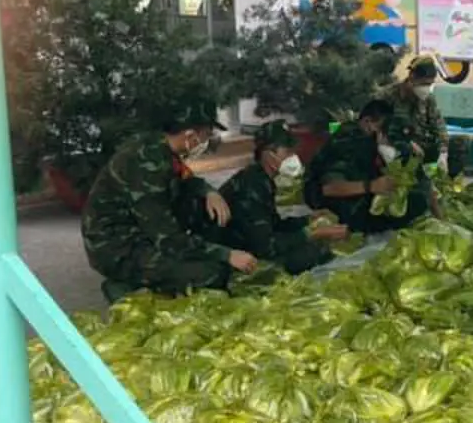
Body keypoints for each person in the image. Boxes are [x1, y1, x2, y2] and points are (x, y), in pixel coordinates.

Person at [81, 102, 257, 298]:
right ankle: (124, 286)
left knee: (204, 206)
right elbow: (169, 239)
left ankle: (182, 266)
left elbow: (186, 179)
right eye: (207, 135)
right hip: (118, 247)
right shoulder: (148, 167)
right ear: (190, 136)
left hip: (142, 230)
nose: (208, 141)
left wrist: (209, 192)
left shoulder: (161, 147)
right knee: (211, 274)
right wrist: (227, 255)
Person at [218, 121, 350, 274]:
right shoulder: (251, 187)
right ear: (268, 154)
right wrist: (313, 233)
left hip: (250, 244)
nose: (293, 157)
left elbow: (273, 224)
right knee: (312, 253)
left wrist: (308, 219)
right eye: (287, 152)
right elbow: (266, 247)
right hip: (235, 254)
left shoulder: (261, 179)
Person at [304, 99, 431, 232]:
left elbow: (422, 183)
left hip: (362, 189)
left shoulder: (381, 140)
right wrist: (371, 186)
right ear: (367, 122)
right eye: (381, 127)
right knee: (367, 215)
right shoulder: (347, 142)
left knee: (416, 201)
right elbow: (329, 188)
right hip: (328, 197)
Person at [381, 55, 447, 163]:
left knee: (460, 143)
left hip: (422, 146)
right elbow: (382, 129)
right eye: (424, 83)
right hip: (398, 145)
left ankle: (448, 178)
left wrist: (443, 152)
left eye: (430, 84)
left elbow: (439, 126)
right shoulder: (390, 95)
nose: (426, 88)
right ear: (412, 77)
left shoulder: (428, 99)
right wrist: (409, 143)